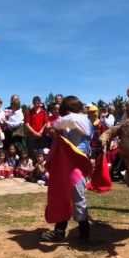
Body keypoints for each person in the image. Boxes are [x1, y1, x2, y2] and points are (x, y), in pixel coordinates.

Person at [40, 95, 93, 242]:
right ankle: (61, 232)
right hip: (70, 164)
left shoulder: (78, 119)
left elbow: (61, 122)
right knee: (65, 196)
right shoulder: (78, 120)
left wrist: (53, 126)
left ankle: (84, 233)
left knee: (76, 197)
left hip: (75, 166)